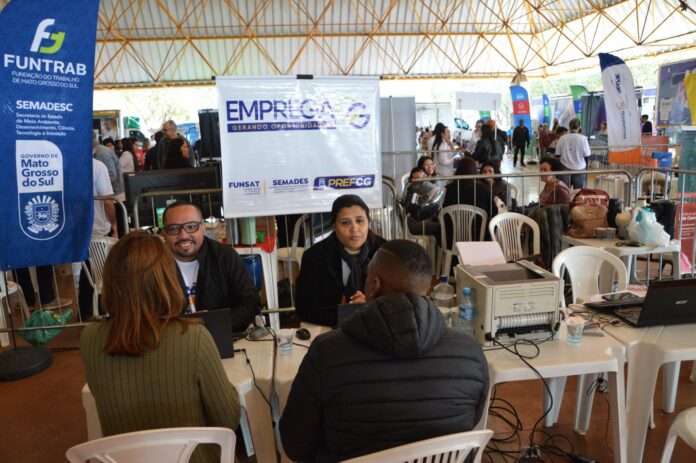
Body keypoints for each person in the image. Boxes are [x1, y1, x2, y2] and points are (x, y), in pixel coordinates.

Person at [280, 239, 489, 462]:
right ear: (427, 288)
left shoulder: (326, 353)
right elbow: (471, 422)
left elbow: (296, 446)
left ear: (373, 285)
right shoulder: (471, 353)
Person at [80, 233, 241, 463]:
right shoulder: (193, 337)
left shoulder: (89, 339)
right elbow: (228, 418)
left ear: (110, 281)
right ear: (167, 278)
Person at [162, 201, 259, 332]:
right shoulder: (152, 265)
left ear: (203, 227)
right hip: (172, 339)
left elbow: (250, 302)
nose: (183, 235)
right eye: (174, 229)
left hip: (221, 336)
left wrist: (214, 324)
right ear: (163, 233)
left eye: (191, 227)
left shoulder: (225, 256)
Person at [295, 194, 386, 327]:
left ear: (368, 221)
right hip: (332, 328)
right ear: (334, 225)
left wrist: (369, 304)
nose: (354, 229)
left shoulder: (386, 252)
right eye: (345, 222)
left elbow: (397, 300)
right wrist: (345, 311)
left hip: (378, 325)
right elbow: (304, 308)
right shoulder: (314, 256)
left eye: (360, 220)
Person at [402, 167, 442, 242]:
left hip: (414, 220)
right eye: (422, 174)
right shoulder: (414, 187)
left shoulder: (411, 186)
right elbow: (417, 210)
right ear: (414, 175)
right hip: (414, 223)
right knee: (440, 227)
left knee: (438, 221)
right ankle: (441, 248)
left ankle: (437, 247)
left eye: (424, 175)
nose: (424, 176)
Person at [556, 118, 590, 189]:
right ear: (579, 127)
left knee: (565, 190)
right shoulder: (583, 138)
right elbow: (587, 154)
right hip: (579, 167)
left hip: (565, 166)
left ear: (569, 127)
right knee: (577, 191)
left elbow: (557, 154)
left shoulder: (562, 138)